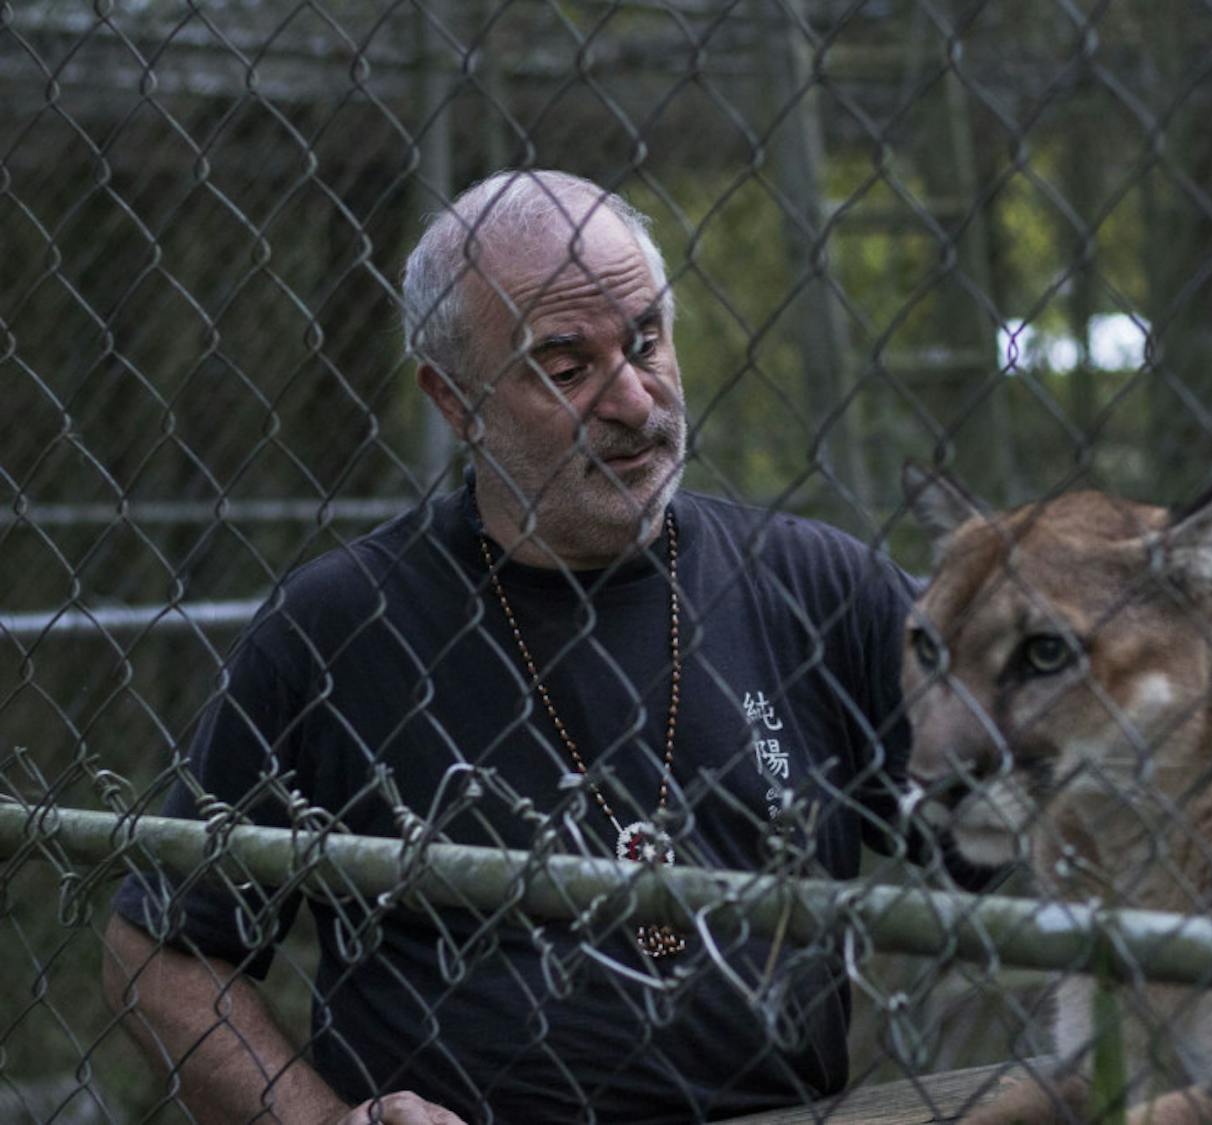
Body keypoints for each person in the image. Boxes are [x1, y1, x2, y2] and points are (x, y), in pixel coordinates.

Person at [101, 169, 917, 1124]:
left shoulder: (822, 587)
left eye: (647, 342)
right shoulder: (341, 623)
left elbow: (1030, 815)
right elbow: (160, 951)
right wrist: (322, 1121)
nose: (633, 399)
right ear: (455, 401)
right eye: (565, 368)